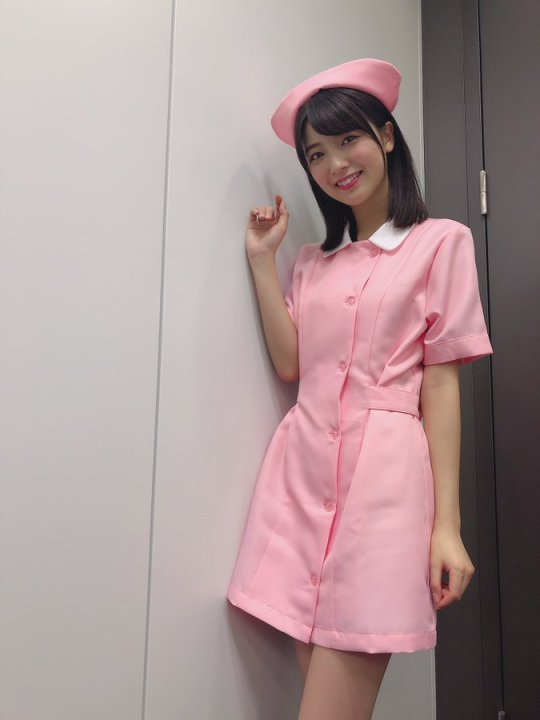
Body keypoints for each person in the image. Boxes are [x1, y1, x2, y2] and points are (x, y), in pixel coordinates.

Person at [226, 58, 493, 720]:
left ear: (388, 136)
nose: (335, 164)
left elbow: (442, 386)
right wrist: (263, 262)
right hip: (299, 484)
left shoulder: (440, 244)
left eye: (349, 140)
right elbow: (292, 365)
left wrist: (447, 527)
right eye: (316, 153)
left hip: (383, 490)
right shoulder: (313, 263)